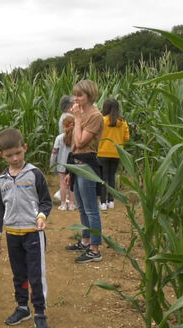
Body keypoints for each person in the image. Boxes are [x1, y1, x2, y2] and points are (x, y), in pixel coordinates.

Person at [0, 128, 52, 328]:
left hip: (33, 233)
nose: (15, 158)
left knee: (36, 274)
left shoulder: (35, 174)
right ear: (2, 155)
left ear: (25, 148)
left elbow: (46, 201)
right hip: (12, 234)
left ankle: (40, 313)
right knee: (19, 273)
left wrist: (42, 217)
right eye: (9, 155)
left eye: (18, 153)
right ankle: (22, 307)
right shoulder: (2, 180)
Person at [64, 79, 104, 264]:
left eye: (80, 95)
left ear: (90, 95)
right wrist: (68, 171)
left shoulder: (95, 116)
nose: (76, 98)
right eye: (75, 94)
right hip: (76, 163)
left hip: (87, 165)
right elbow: (72, 144)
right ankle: (85, 241)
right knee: (81, 207)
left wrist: (78, 120)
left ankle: (95, 249)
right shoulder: (80, 114)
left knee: (91, 209)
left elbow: (81, 142)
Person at [97, 98, 130, 210]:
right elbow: (126, 137)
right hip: (116, 153)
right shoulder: (123, 122)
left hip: (103, 152)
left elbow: (97, 135)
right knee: (112, 177)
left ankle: (103, 203)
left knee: (103, 178)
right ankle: (111, 201)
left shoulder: (102, 120)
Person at [49, 114, 77, 211]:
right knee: (71, 184)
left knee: (63, 184)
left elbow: (54, 153)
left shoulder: (59, 138)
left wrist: (52, 165)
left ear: (64, 126)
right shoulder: (77, 137)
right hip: (74, 166)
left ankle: (63, 204)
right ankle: (72, 204)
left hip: (61, 165)